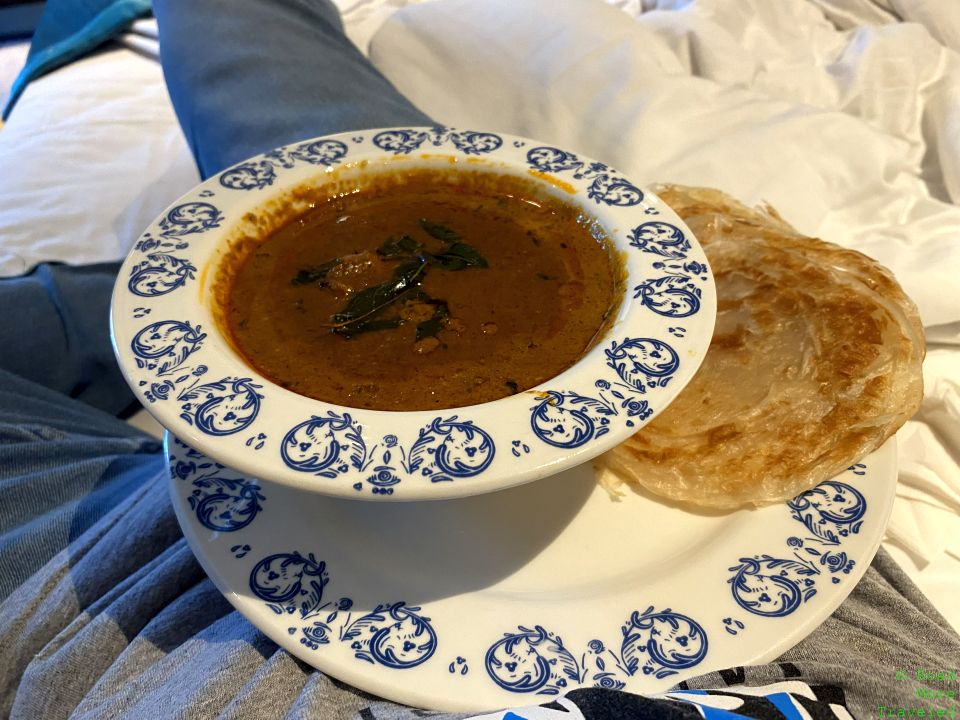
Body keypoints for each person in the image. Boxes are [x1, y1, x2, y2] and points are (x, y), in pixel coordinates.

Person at [1, 1, 958, 718]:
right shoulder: (923, 684)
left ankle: (88, 306)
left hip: (153, 622)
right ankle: (117, 301)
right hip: (850, 650)